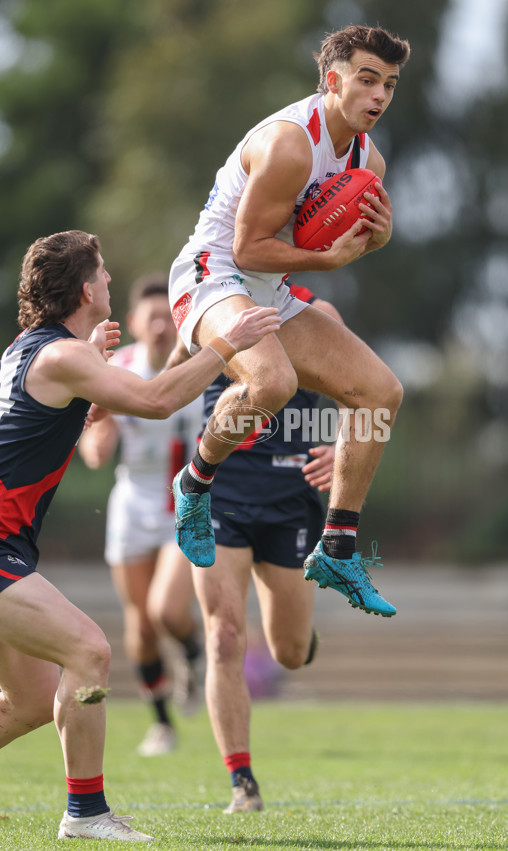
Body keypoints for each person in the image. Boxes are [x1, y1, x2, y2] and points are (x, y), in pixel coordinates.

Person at [0, 230, 280, 842]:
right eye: (101, 274)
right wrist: (229, 343)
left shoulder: (35, 348)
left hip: (10, 546)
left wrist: (90, 356)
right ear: (83, 289)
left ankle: (87, 812)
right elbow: (155, 401)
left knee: (25, 702)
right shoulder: (62, 357)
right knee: (91, 653)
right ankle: (87, 815)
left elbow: (66, 402)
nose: (109, 282)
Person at [169, 24, 409, 617]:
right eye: (367, 79)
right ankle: (195, 484)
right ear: (333, 80)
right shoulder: (289, 143)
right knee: (272, 383)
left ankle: (338, 546)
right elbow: (248, 249)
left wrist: (379, 237)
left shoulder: (366, 157)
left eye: (390, 85)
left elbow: (341, 238)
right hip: (210, 275)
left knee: (380, 393)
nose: (379, 95)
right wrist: (326, 260)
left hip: (265, 288)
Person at [164, 283, 338, 813]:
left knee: (289, 652)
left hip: (291, 499)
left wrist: (342, 445)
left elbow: (366, 393)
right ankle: (243, 781)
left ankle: (295, 630)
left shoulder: (318, 313)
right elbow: (168, 383)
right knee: (224, 635)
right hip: (222, 492)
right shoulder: (209, 310)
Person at [78, 274, 205, 759]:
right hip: (132, 501)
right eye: (149, 316)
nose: (159, 325)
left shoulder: (198, 364)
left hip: (183, 502)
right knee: (140, 627)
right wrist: (97, 443)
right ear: (132, 323)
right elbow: (93, 437)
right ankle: (161, 725)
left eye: (166, 316)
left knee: (166, 610)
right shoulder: (117, 367)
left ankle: (192, 658)